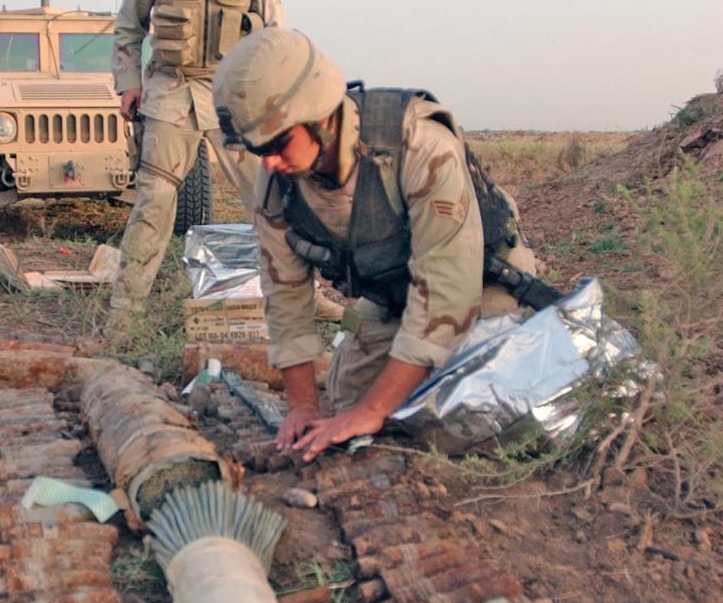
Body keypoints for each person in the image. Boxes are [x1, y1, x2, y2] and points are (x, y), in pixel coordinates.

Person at [212, 27, 543, 462]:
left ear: (321, 116)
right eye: (258, 150)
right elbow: (285, 292)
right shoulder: (277, 184)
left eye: (277, 143)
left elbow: (447, 291)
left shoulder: (419, 147)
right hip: (392, 296)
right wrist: (303, 406)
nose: (269, 161)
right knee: (344, 406)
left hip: (481, 286)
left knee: (469, 420)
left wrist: (375, 409)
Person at [109, 0, 284, 314]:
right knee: (153, 204)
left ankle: (294, 303)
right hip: (171, 93)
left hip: (234, 99)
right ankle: (125, 315)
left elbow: (278, 41)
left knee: (271, 204)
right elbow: (128, 28)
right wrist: (129, 85)